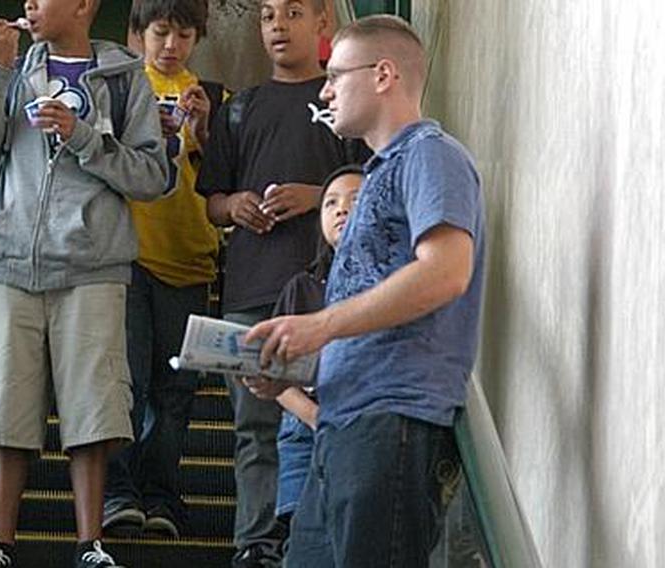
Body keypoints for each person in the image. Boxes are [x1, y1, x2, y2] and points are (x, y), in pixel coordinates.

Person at [245, 14, 486, 567]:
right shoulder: (377, 176)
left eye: (335, 74)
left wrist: (320, 325)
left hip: (391, 422)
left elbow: (448, 270)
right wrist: (291, 366)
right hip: (340, 426)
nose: (325, 89)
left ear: (383, 74)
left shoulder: (431, 154)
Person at [0, 0, 168, 565]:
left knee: (94, 407)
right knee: (3, 406)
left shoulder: (126, 79)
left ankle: (90, 544)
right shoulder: (15, 68)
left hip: (93, 265)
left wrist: (83, 136)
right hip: (10, 262)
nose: (29, 4)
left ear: (82, 6)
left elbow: (153, 176)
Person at [195, 1, 369, 566]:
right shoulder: (239, 108)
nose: (277, 25)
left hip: (328, 295)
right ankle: (256, 544)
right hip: (250, 287)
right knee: (254, 424)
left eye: (293, 12)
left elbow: (369, 188)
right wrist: (235, 205)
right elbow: (212, 202)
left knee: (326, 416)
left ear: (322, 24)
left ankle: (313, 540)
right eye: (268, 14)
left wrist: (315, 196)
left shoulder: (342, 101)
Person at [102, 0, 226, 540]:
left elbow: (226, 183)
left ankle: (161, 496)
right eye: (160, 33)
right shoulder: (119, 88)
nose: (170, 45)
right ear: (137, 35)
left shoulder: (218, 99)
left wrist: (202, 131)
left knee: (176, 391)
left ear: (197, 38)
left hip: (192, 261)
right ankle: (117, 492)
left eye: (182, 34)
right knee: (122, 381)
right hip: (126, 257)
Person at [242, 165, 362, 539]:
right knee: (303, 534)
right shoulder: (303, 286)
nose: (341, 209)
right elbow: (278, 375)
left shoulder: (390, 289)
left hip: (363, 422)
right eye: (329, 203)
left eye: (356, 201)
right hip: (304, 426)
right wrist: (312, 415)